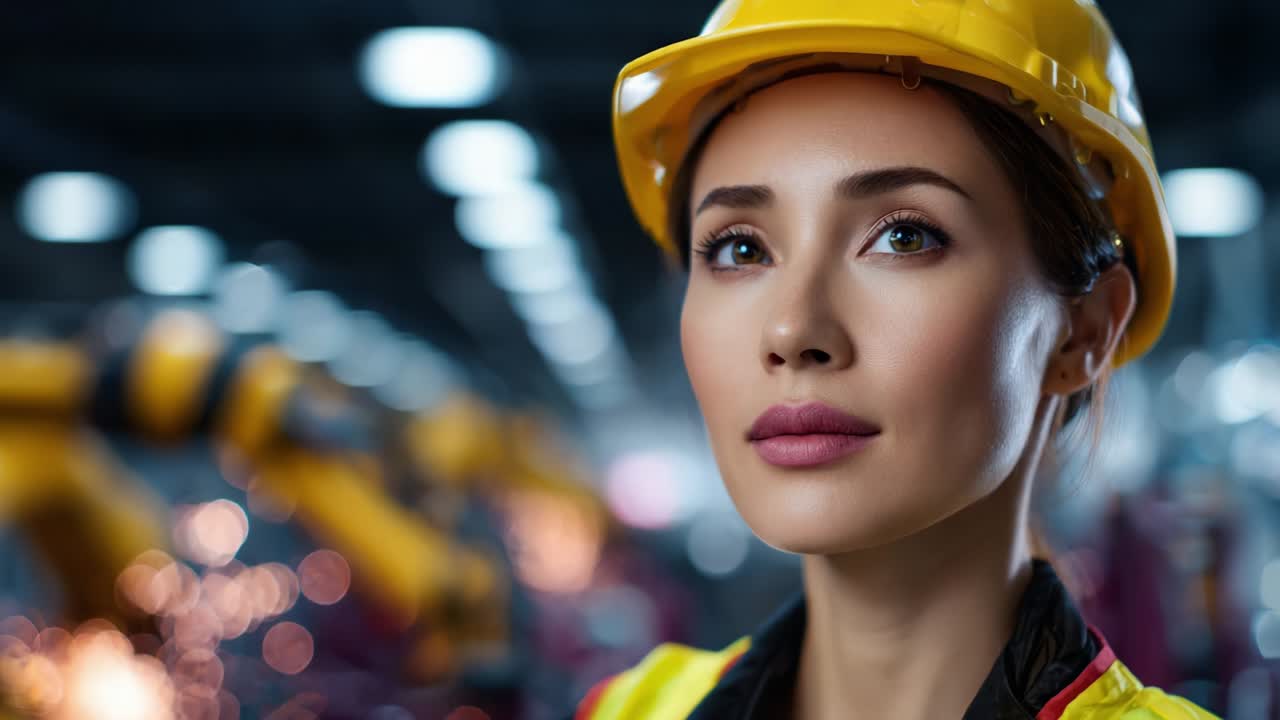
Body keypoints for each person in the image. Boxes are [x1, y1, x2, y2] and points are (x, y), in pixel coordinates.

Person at [574, 1, 1219, 718]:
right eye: (741, 249)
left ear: (1083, 333)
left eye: (905, 238)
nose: (792, 329)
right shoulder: (629, 710)